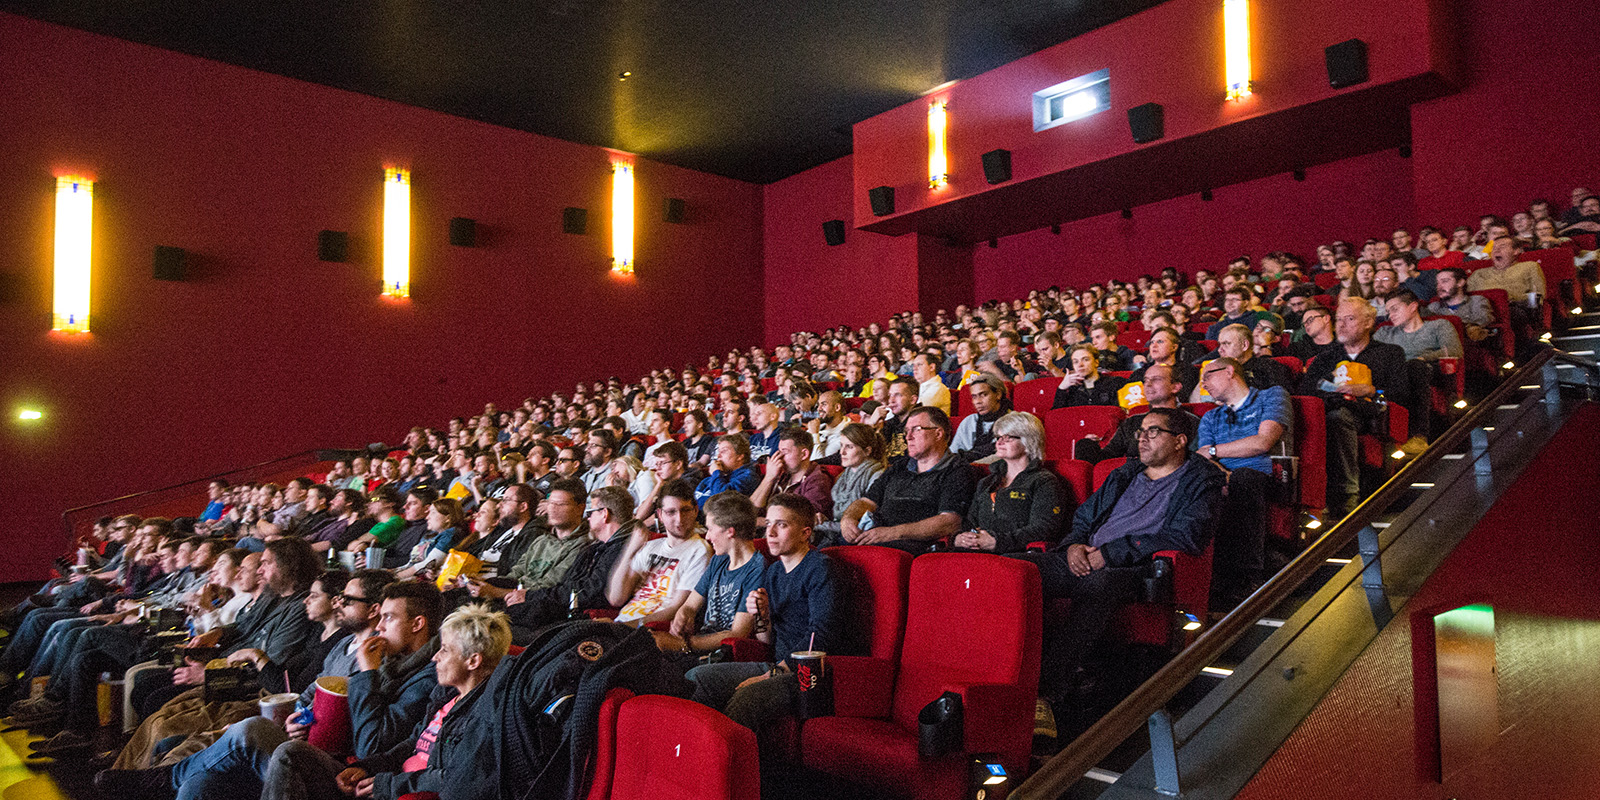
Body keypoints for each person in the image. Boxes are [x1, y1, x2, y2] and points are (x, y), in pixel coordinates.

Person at [1010, 408, 1224, 731]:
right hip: (1084, 556)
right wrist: (1073, 545)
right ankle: (1009, 678)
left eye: (1153, 431)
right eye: (1140, 432)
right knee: (1013, 569)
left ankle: (1046, 693)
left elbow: (1186, 535)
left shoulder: (1201, 480)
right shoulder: (1125, 473)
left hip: (1135, 567)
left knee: (1100, 584)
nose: (1142, 438)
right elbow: (1084, 517)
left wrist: (1111, 554)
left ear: (1180, 441)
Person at [258, 604, 511, 800]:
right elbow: (411, 745)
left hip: (398, 792)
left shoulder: (485, 713)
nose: (435, 657)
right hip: (382, 779)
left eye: (445, 649)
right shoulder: (445, 697)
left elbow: (456, 780)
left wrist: (385, 784)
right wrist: (367, 768)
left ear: (473, 661)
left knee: (276, 748)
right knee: (290, 753)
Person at [687, 494, 847, 748]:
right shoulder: (773, 572)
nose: (770, 532)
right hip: (777, 664)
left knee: (746, 698)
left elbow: (822, 638)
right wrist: (762, 617)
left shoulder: (820, 568)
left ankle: (731, 774)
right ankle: (697, 758)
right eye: (768, 523)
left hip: (808, 676)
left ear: (806, 532)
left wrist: (772, 674)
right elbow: (766, 639)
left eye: (781, 525)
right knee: (697, 678)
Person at [1299, 299, 1411, 518]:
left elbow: (1400, 394)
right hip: (1332, 410)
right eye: (1339, 319)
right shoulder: (1325, 358)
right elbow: (1307, 392)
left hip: (1371, 413)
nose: (1341, 325)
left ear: (1369, 322)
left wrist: (1371, 391)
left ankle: (1346, 495)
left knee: (1339, 417)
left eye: (1349, 319)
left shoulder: (1389, 353)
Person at [1194, 357, 1292, 608]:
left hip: (1268, 477)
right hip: (1223, 477)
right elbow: (1202, 457)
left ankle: (1247, 577)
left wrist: (1216, 452)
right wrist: (1221, 472)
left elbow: (1262, 442)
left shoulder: (1272, 396)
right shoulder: (1210, 417)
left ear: (1229, 371)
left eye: (1207, 376)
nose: (1203, 385)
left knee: (1243, 479)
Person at [839, 406, 978, 555]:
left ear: (938, 433)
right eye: (906, 431)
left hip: (912, 546)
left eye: (916, 429)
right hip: (875, 536)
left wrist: (892, 533)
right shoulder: (900, 466)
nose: (908, 437)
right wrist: (848, 518)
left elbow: (949, 522)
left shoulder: (957, 470)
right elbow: (867, 501)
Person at [652, 492, 763, 657]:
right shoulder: (719, 560)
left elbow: (738, 633)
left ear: (729, 532)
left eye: (710, 529)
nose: (708, 536)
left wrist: (682, 645)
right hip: (695, 646)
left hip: (717, 655)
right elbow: (690, 604)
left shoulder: (757, 569)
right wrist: (684, 614)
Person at [953, 412, 1069, 553]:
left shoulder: (1044, 481)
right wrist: (960, 537)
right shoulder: (987, 482)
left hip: (1014, 554)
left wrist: (997, 542)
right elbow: (970, 522)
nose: (999, 442)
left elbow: (1044, 529)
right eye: (998, 437)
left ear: (1029, 442)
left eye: (1008, 438)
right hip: (979, 552)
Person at [607, 480, 712, 625]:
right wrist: (630, 550)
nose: (679, 519)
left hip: (652, 630)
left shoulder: (700, 550)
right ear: (660, 515)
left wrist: (624, 626)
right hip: (623, 622)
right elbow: (616, 598)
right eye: (671, 512)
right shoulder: (650, 546)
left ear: (695, 511)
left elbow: (676, 609)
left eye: (685, 510)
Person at [469, 479, 591, 600]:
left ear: (580, 508)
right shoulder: (541, 540)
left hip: (536, 604)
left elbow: (550, 586)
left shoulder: (583, 545)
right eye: (550, 503)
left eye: (560, 504)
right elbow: (515, 574)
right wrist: (480, 583)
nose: (552, 509)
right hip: (514, 595)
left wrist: (497, 592)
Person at [1376, 289, 1464, 451]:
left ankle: (1419, 436)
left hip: (1430, 371)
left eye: (1395, 309)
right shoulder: (1384, 332)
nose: (1390, 315)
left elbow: (1454, 350)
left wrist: (1424, 358)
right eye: (1388, 312)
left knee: (1416, 367)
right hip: (1396, 374)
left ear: (1413, 306)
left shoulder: (1439, 325)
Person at [1075, 363, 1197, 463]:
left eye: (1156, 380)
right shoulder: (1132, 422)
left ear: (1175, 387)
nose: (1147, 385)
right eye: (1146, 380)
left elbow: (1194, 461)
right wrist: (1088, 446)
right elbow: (1107, 457)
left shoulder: (1191, 422)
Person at [1466, 234, 1546, 349]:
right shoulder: (1478, 274)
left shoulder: (1530, 267)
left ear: (1516, 251)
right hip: (1482, 312)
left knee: (1513, 315)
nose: (1496, 249)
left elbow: (1538, 297)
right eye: (1494, 247)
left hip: (1513, 309)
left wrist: (1511, 298)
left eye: (1502, 246)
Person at [750, 428, 835, 520]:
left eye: (785, 452)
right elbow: (751, 510)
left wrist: (761, 522)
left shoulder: (818, 480)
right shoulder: (782, 474)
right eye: (779, 451)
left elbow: (804, 520)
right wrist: (768, 478)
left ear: (804, 454)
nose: (780, 457)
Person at [949, 374, 1012, 463]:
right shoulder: (968, 421)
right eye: (974, 397)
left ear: (998, 394)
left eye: (983, 395)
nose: (978, 401)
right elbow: (953, 454)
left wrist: (974, 465)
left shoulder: (1014, 421)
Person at [1427, 267, 1496, 341]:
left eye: (1445, 281)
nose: (1439, 287)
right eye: (1437, 283)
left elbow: (1484, 319)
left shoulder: (1476, 300)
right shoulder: (1433, 307)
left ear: (1460, 282)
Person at [693, 434, 761, 507]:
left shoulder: (748, 477)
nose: (718, 456)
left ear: (740, 456)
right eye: (718, 452)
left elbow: (720, 500)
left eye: (724, 451)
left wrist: (716, 472)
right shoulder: (709, 479)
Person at [1051, 345, 1126, 408]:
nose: (1080, 365)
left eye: (1085, 359)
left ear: (1096, 362)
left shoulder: (1116, 383)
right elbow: (1057, 418)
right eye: (1076, 362)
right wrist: (1062, 388)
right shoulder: (1071, 391)